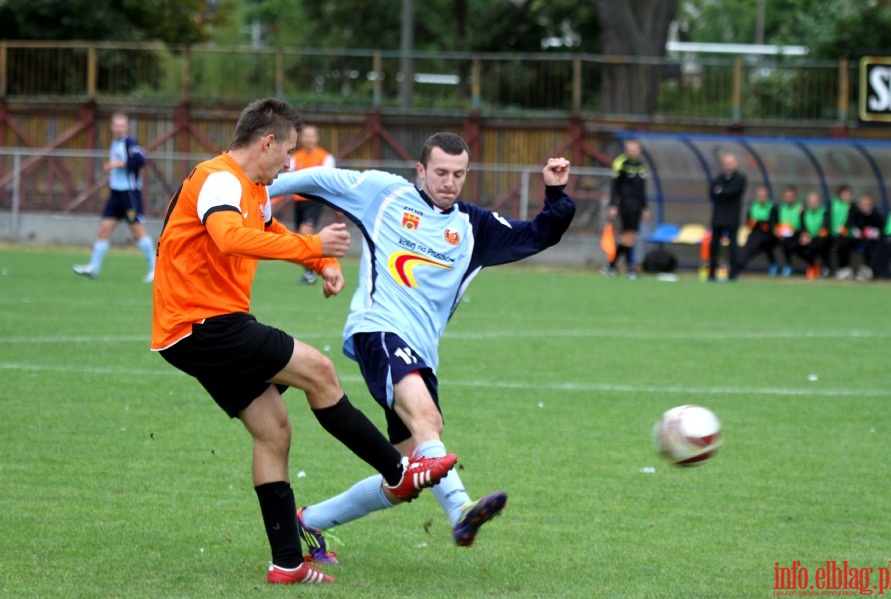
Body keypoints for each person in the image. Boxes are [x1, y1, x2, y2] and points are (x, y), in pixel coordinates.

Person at [150, 98, 457, 586]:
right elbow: (230, 238)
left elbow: (268, 229)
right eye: (288, 151)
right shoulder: (221, 178)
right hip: (204, 323)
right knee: (320, 371)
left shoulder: (250, 189)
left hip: (191, 330)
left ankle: (287, 563)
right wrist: (315, 247)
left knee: (273, 431)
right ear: (267, 142)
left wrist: (319, 264)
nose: (290, 163)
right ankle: (398, 471)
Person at [268, 132, 575, 559]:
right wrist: (260, 189)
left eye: (459, 174)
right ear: (420, 170)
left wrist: (556, 193)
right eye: (441, 172)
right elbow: (320, 179)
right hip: (378, 330)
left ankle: (310, 522)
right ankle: (462, 511)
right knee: (426, 418)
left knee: (405, 479)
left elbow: (540, 233)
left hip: (421, 351)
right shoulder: (385, 194)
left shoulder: (474, 227)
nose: (449, 182)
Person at [73, 113, 156, 282]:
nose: (119, 128)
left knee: (137, 231)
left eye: (122, 125)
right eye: (116, 125)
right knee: (104, 228)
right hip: (116, 193)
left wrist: (118, 164)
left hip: (129, 193)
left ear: (127, 127)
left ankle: (155, 269)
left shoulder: (129, 142)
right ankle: (93, 268)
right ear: (112, 127)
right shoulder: (115, 142)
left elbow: (140, 161)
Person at [289, 125, 336, 285]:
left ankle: (314, 270)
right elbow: (289, 179)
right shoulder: (295, 158)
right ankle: (310, 271)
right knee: (302, 238)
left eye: (311, 136)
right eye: (306, 136)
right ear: (301, 139)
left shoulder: (325, 158)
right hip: (298, 201)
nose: (308, 139)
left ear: (317, 138)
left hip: (314, 200)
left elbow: (330, 181)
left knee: (305, 233)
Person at [604, 139, 649, 279]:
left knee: (630, 236)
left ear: (639, 150)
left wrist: (645, 207)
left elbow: (642, 189)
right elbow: (614, 186)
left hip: (637, 205)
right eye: (629, 148)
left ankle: (614, 266)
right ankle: (628, 267)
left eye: (634, 148)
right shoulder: (621, 162)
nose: (632, 150)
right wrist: (613, 205)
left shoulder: (640, 165)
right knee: (628, 235)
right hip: (626, 203)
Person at [707, 152, 746, 281]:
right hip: (718, 218)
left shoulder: (740, 179)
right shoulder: (718, 179)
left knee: (732, 247)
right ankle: (712, 273)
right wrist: (722, 193)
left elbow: (732, 192)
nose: (728, 165)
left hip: (732, 218)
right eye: (726, 163)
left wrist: (721, 192)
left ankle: (733, 273)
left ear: (736, 163)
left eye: (731, 162)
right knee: (714, 246)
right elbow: (712, 194)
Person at [736, 184, 778, 277]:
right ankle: (739, 265)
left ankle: (740, 264)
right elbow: (749, 222)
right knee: (750, 246)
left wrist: (761, 223)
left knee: (763, 244)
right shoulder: (752, 206)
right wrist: (759, 223)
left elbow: (772, 224)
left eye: (764, 196)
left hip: (769, 235)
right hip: (755, 233)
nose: (762, 198)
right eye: (760, 196)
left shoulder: (772, 207)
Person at [845, 193, 884, 281]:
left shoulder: (876, 216)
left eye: (867, 204)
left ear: (871, 205)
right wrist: (858, 233)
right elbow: (850, 227)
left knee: (870, 245)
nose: (864, 207)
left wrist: (870, 232)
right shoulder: (855, 214)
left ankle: (868, 271)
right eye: (862, 204)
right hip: (857, 239)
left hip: (870, 240)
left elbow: (881, 232)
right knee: (843, 242)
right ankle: (845, 269)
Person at [796, 191, 831, 279]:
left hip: (820, 238)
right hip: (808, 238)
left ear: (819, 202)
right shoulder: (804, 213)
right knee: (795, 244)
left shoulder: (824, 212)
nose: (812, 204)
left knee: (821, 243)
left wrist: (811, 238)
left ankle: (825, 268)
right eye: (810, 202)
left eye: (815, 202)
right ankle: (813, 265)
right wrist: (804, 236)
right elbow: (802, 227)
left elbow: (824, 229)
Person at [774, 185, 802, 277]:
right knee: (784, 242)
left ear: (795, 197)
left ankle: (814, 265)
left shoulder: (800, 208)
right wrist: (778, 232)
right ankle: (786, 265)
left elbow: (803, 223)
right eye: (787, 196)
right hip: (783, 235)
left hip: (798, 234)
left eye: (791, 196)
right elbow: (776, 224)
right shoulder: (780, 208)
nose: (789, 198)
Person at [829, 184, 855, 280]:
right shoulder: (833, 204)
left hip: (848, 235)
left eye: (849, 194)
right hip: (833, 234)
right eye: (845, 194)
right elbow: (829, 219)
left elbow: (852, 222)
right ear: (840, 194)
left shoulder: (852, 206)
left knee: (843, 242)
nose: (847, 196)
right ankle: (828, 269)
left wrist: (844, 229)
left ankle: (845, 268)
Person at [873, 195, 891, 279]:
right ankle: (874, 271)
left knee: (888, 247)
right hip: (888, 238)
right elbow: (885, 230)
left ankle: (883, 272)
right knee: (879, 247)